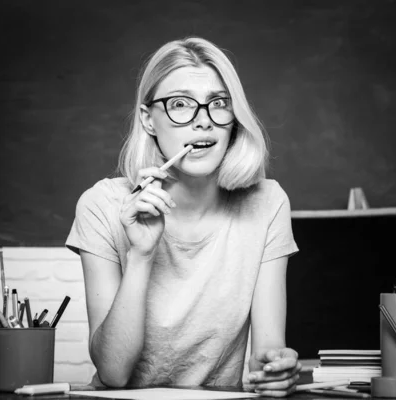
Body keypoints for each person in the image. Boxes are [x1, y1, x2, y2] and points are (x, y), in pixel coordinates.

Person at [66, 36, 300, 397]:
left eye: (218, 104)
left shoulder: (267, 203)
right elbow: (113, 373)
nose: (203, 122)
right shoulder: (101, 206)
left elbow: (264, 359)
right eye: (180, 104)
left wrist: (275, 370)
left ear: (233, 118)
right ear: (148, 120)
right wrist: (141, 255)